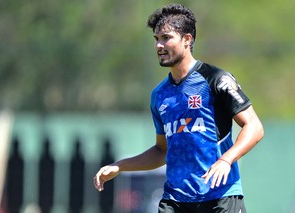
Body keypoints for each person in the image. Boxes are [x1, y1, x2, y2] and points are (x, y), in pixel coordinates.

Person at [94, 4, 264, 213]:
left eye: (166, 37)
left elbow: (254, 127)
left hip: (220, 197)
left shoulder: (215, 80)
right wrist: (120, 166)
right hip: (175, 201)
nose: (159, 45)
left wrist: (226, 160)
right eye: (156, 39)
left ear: (187, 40)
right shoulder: (159, 95)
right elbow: (161, 151)